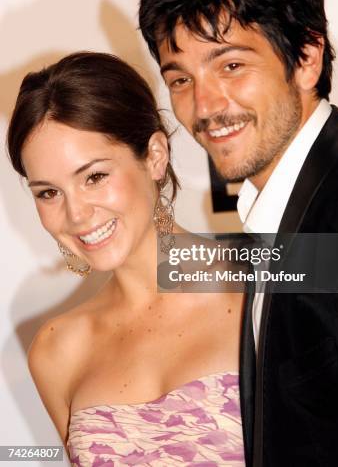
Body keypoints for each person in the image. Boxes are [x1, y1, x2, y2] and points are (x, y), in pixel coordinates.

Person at [139, 0, 338, 466]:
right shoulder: (301, 205)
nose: (206, 106)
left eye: (231, 65)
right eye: (181, 79)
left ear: (306, 58)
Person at [7, 52, 245, 466]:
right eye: (48, 192)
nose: (76, 214)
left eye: (94, 177)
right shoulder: (56, 350)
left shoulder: (266, 280)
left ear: (154, 155)